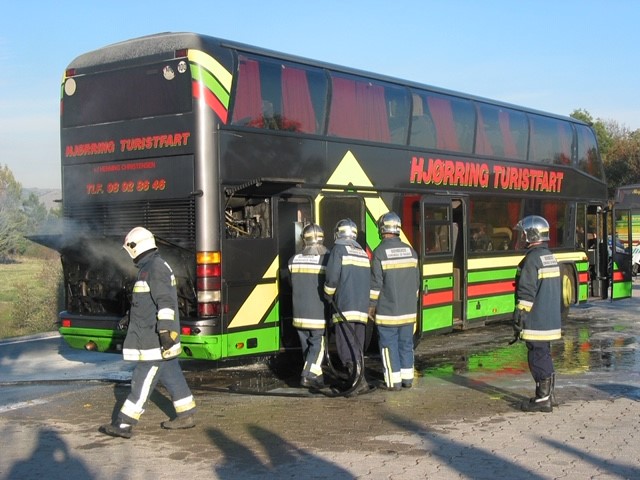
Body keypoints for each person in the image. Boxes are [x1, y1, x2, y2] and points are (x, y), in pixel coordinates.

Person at [99, 226, 196, 438]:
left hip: (156, 340)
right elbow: (147, 302)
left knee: (141, 379)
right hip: (155, 336)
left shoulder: (155, 268)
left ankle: (124, 424)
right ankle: (186, 415)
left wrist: (165, 331)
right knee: (171, 373)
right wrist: (129, 317)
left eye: (129, 249)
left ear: (136, 247)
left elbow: (166, 303)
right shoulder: (148, 267)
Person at [513, 215, 562, 413]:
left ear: (531, 234)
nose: (520, 237)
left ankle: (543, 399)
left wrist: (520, 315)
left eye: (522, 234)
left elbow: (526, 290)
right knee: (544, 355)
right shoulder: (549, 256)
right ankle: (549, 395)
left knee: (537, 357)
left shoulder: (531, 259)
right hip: (549, 318)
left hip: (536, 320)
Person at [369, 212, 420, 391]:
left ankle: (393, 382)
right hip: (408, 311)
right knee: (406, 344)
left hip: (388, 311)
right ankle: (407, 379)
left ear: (382, 229)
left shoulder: (380, 252)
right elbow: (416, 284)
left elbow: (376, 285)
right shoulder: (411, 251)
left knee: (388, 346)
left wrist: (371, 306)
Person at [323, 218, 371, 394]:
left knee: (345, 348)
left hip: (344, 307)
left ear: (338, 233)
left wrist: (327, 294)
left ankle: (356, 384)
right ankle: (361, 380)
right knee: (356, 346)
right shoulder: (362, 252)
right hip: (361, 309)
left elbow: (332, 277)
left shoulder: (338, 250)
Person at [288, 223, 330, 389]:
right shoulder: (326, 259)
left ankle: (317, 378)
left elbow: (291, 284)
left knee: (308, 348)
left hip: (298, 314)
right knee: (318, 345)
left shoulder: (293, 260)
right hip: (317, 314)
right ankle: (307, 375)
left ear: (303, 240)